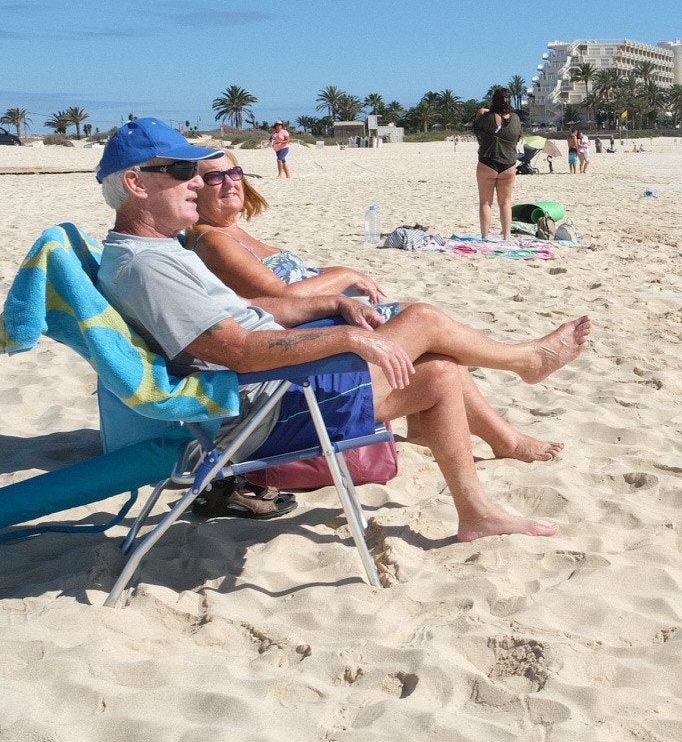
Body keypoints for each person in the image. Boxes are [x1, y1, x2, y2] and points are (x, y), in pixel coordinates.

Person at [95, 118, 590, 543]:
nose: (196, 184)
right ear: (137, 185)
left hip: (271, 388)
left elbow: (242, 311)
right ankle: (523, 364)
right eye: (182, 172)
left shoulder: (156, 252)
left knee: (437, 369)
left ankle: (476, 514)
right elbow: (240, 350)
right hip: (263, 408)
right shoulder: (148, 266)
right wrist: (347, 338)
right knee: (423, 325)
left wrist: (333, 303)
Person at [183, 150, 563, 464]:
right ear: (194, 188)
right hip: (301, 351)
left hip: (317, 332)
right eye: (215, 177)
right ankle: (522, 362)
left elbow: (291, 286)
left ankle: (494, 437)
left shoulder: (230, 231)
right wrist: (345, 274)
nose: (231, 182)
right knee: (424, 319)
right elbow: (285, 296)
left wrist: (339, 280)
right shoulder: (213, 242)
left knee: (436, 354)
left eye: (234, 171)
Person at [472, 87, 520, 240]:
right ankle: (506, 236)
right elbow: (518, 137)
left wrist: (482, 111)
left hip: (487, 163)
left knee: (485, 202)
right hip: (509, 164)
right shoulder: (516, 119)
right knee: (505, 203)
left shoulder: (486, 118)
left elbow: (476, 126)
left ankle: (485, 237)